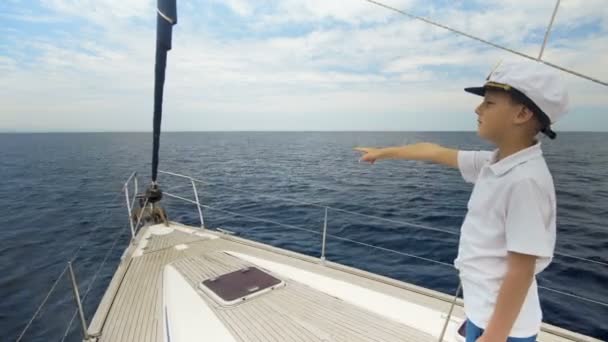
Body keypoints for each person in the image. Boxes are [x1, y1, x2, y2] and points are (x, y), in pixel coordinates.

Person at [355, 60, 569, 342]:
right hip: (484, 315)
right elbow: (434, 152)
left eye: (489, 103)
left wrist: (493, 336)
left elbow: (521, 271)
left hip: (506, 331)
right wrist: (384, 153)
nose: (477, 109)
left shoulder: (525, 181)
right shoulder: (495, 163)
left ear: (522, 113)